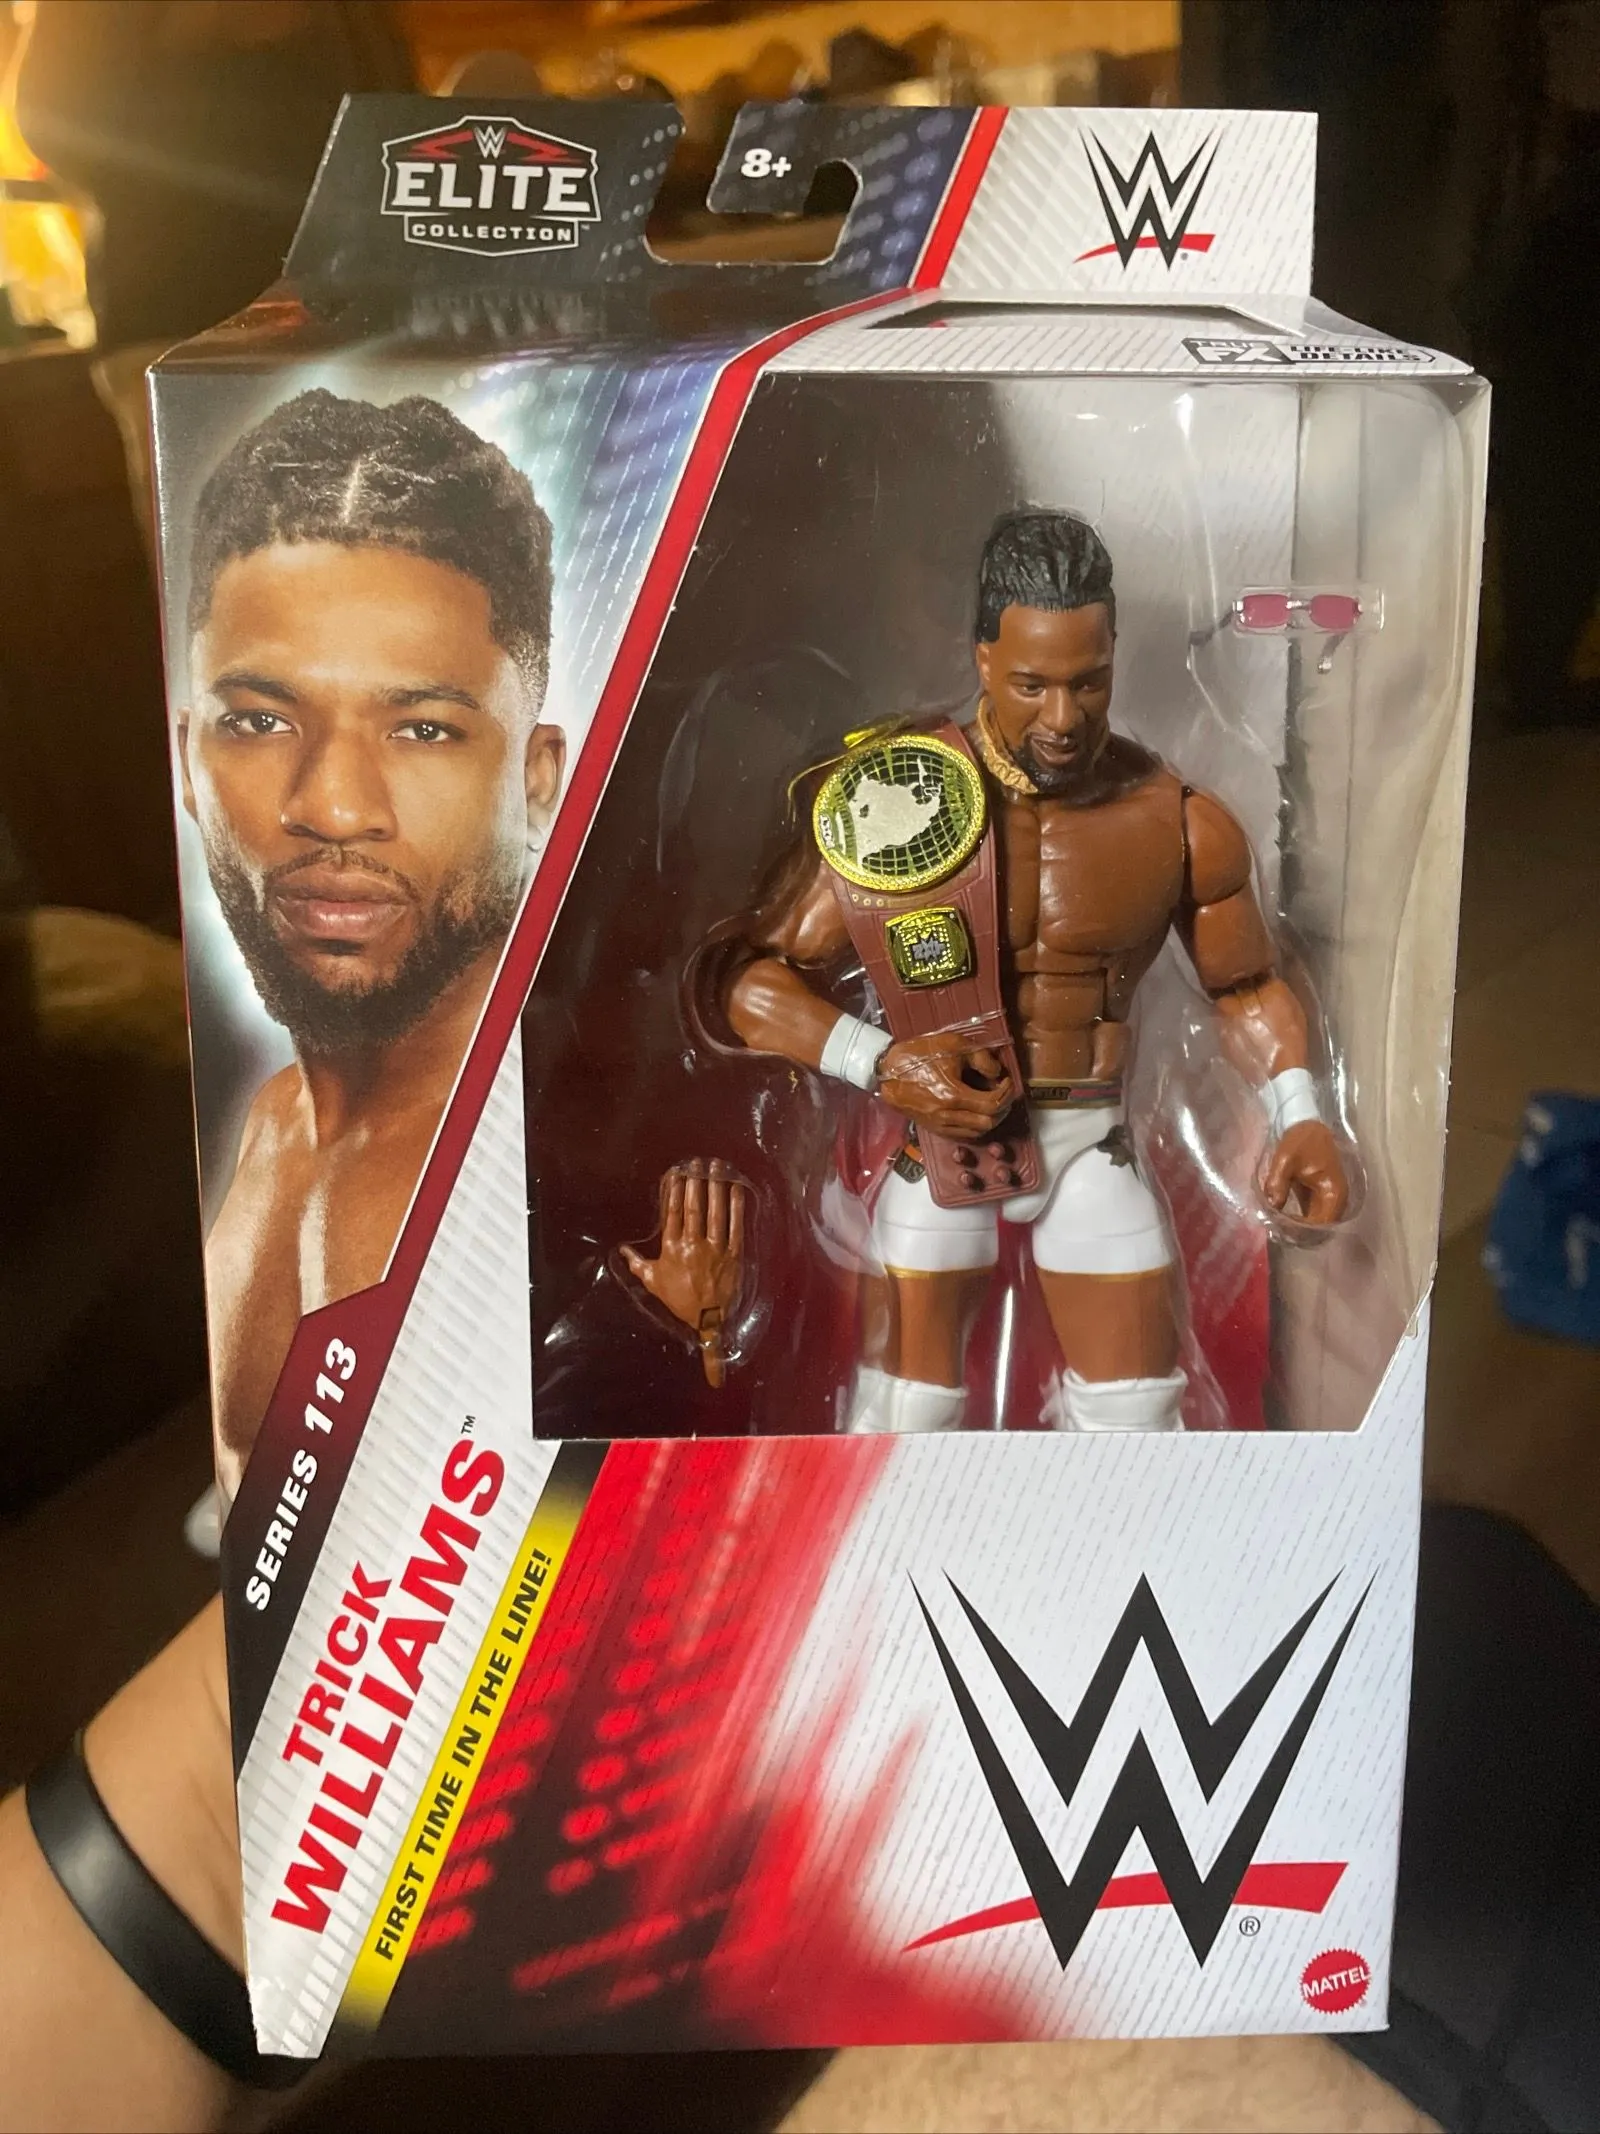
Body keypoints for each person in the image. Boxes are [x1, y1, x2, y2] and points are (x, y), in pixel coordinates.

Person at [714, 509, 1348, 1436]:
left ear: (1114, 655)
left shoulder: (1177, 820)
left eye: (1088, 683)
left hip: (1092, 1143)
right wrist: (881, 1065)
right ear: (982, 660)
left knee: (1138, 1423)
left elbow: (1246, 987)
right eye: (1032, 685)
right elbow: (749, 984)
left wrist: (1302, 1113)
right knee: (898, 1424)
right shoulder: (897, 801)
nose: (1062, 719)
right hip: (939, 1148)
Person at [179, 390, 565, 1498]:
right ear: (186, 760)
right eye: (260, 721)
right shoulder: (272, 1126)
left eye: (422, 729)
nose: (334, 806)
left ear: (536, 780)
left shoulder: (538, 1170)